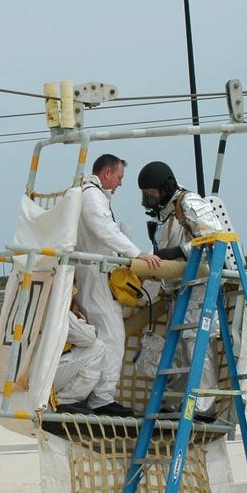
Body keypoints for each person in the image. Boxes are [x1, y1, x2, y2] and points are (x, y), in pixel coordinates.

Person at [137, 160, 226, 418]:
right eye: (145, 194)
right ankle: (177, 403)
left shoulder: (189, 203)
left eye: (151, 193)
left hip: (200, 284)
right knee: (177, 350)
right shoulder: (163, 215)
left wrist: (180, 251)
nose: (148, 199)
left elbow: (216, 238)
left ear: (166, 187)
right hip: (179, 288)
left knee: (196, 342)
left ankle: (203, 406)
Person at [74, 153, 161, 416]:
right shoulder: (92, 196)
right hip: (95, 275)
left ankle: (92, 392)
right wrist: (137, 255)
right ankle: (102, 398)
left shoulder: (90, 195)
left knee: (101, 337)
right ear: (107, 173)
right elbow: (104, 231)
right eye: (120, 177)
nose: (121, 184)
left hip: (94, 273)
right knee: (111, 335)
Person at [52, 302, 106, 414]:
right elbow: (88, 337)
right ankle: (65, 402)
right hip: (39, 378)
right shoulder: (55, 303)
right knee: (97, 347)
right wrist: (82, 322)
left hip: (22, 375)